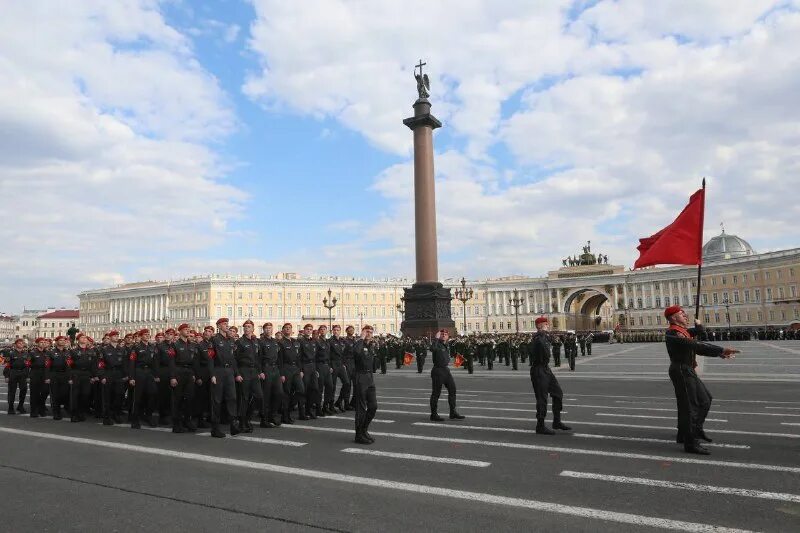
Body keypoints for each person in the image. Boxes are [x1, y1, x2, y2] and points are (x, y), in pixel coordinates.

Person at [664, 305, 737, 455]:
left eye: (684, 313)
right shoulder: (673, 333)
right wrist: (721, 350)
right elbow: (695, 345)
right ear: (672, 318)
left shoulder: (682, 331)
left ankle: (692, 431)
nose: (685, 315)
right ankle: (691, 442)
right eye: (681, 313)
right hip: (681, 370)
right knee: (691, 406)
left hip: (687, 370)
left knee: (705, 399)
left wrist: (699, 326)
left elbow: (698, 334)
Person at [529, 317, 571, 435]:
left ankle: (556, 422)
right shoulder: (539, 338)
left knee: (558, 393)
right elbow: (543, 353)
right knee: (542, 398)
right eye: (546, 324)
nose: (548, 326)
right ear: (541, 326)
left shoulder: (544, 337)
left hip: (545, 369)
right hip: (539, 370)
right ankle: (540, 426)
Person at [209, 318, 241, 438]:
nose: (226, 326)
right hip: (218, 370)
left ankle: (233, 425)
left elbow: (233, 359)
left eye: (227, 324)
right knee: (217, 400)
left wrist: (237, 373)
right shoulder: (214, 340)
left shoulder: (230, 340)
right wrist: (212, 374)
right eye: (224, 324)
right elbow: (210, 358)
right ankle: (215, 428)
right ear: (218, 326)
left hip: (229, 372)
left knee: (232, 397)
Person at [429, 329, 465, 422]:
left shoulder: (446, 345)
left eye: (445, 334)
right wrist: (436, 338)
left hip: (446, 370)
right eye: (442, 334)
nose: (444, 335)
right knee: (436, 393)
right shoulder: (437, 344)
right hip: (438, 370)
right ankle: (433, 414)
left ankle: (452, 412)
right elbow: (432, 349)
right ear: (439, 336)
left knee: (453, 390)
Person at [234, 320, 262, 433]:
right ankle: (242, 422)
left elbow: (258, 358)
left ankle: (248, 417)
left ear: (253, 329)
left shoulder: (255, 341)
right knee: (244, 398)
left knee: (259, 396)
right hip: (244, 370)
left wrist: (260, 371)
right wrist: (237, 374)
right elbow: (234, 359)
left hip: (254, 371)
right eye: (245, 327)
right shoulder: (240, 342)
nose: (246, 328)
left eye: (249, 326)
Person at [352, 324, 378, 444]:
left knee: (373, 406)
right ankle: (359, 435)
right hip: (360, 377)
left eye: (371, 332)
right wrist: (361, 338)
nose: (369, 334)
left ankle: (364, 429)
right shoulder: (359, 344)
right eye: (367, 332)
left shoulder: (371, 346)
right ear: (362, 332)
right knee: (361, 408)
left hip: (369, 378)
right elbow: (356, 352)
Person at [170, 324, 197, 433]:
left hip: (189, 372)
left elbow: (194, 361)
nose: (188, 331)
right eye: (185, 330)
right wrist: (172, 377)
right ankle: (177, 423)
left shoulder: (192, 345)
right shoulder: (175, 345)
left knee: (189, 398)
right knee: (177, 399)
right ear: (180, 331)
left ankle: (187, 420)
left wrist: (194, 374)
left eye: (188, 330)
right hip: (178, 371)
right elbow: (171, 362)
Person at [258, 322, 284, 428]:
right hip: (266, 368)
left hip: (275, 369)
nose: (269, 330)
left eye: (270, 328)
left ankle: (272, 415)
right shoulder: (261, 342)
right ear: (263, 330)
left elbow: (280, 358)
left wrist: (281, 373)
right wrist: (260, 371)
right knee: (266, 395)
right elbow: (258, 358)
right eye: (267, 328)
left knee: (278, 393)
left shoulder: (275, 342)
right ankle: (264, 419)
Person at [278, 323, 305, 423]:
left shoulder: (295, 342)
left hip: (296, 369)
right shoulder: (280, 342)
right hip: (286, 368)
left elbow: (299, 358)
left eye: (289, 328)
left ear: (291, 330)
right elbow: (279, 360)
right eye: (286, 328)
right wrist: (281, 374)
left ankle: (288, 409)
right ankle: (285, 416)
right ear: (283, 330)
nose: (288, 329)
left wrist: (301, 370)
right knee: (286, 393)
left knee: (301, 390)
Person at [329, 325, 350, 413]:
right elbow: (328, 354)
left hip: (341, 365)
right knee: (332, 387)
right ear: (332, 331)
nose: (336, 331)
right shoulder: (330, 341)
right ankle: (331, 405)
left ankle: (339, 401)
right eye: (335, 330)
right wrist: (330, 366)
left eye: (338, 330)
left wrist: (344, 364)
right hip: (333, 365)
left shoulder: (342, 341)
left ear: (340, 331)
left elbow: (345, 354)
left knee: (347, 383)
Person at [4, 338, 29, 414]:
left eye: (22, 343)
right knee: (12, 391)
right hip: (13, 373)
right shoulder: (10, 353)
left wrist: (27, 376)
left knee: (23, 390)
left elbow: (27, 365)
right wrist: (7, 376)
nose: (21, 344)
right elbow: (7, 365)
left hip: (23, 373)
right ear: (16, 344)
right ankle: (10, 407)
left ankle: (20, 406)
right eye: (19, 343)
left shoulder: (26, 354)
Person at [27, 337, 50, 418]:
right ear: (37, 343)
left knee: (45, 392)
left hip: (44, 375)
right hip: (35, 374)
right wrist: (28, 376)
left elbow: (49, 366)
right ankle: (34, 411)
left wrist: (48, 377)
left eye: (44, 342)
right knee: (34, 394)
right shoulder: (32, 353)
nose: (43, 343)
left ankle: (41, 408)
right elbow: (27, 365)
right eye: (41, 342)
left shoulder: (47, 353)